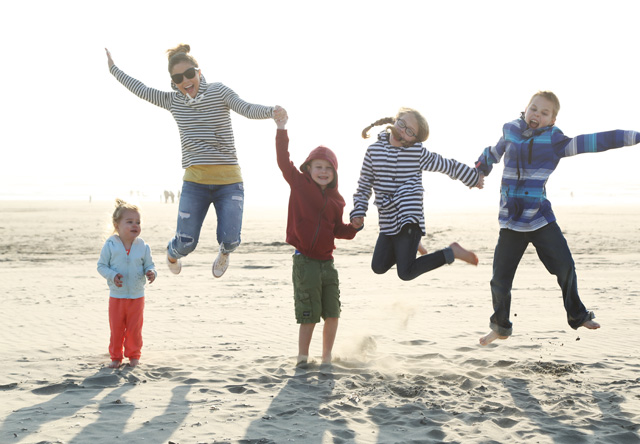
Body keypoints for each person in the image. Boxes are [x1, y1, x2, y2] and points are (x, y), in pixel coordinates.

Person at [105, 44, 286, 278]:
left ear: (199, 72)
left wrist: (271, 111)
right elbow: (140, 88)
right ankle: (172, 253)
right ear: (174, 81)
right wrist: (113, 69)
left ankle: (225, 252)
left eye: (190, 74)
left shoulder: (219, 91)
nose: (186, 80)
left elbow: (246, 107)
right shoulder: (173, 101)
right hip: (195, 183)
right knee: (186, 244)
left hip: (229, 182)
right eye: (178, 77)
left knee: (231, 239)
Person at [476, 91, 640, 346]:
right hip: (511, 222)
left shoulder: (554, 140)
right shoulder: (510, 130)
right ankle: (500, 327)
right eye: (534, 109)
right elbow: (493, 153)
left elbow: (594, 141)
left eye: (544, 113)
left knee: (565, 267)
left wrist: (634, 137)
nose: (537, 115)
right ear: (525, 109)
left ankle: (578, 316)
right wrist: (480, 169)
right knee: (499, 280)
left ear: (552, 120)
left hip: (540, 219)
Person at [350, 107, 483, 281]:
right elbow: (364, 184)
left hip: (409, 214)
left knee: (405, 272)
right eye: (401, 124)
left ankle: (451, 252)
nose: (402, 131)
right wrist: (359, 211)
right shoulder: (373, 151)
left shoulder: (417, 152)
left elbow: (446, 165)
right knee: (378, 266)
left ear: (414, 140)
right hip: (388, 217)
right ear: (395, 121)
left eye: (409, 131)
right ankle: (412, 244)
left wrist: (473, 177)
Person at [275, 111, 360, 365]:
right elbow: (283, 160)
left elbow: (338, 231)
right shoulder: (299, 184)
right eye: (318, 167)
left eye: (328, 169)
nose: (323, 172)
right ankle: (303, 357)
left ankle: (326, 358)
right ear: (308, 168)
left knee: (333, 312)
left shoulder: (337, 200)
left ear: (334, 173)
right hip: (305, 262)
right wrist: (281, 128)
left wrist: (355, 227)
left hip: (327, 263)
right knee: (308, 314)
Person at [97, 199, 156, 368]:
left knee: (134, 329)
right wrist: (112, 275)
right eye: (129, 222)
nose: (135, 225)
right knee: (117, 329)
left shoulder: (143, 246)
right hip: (117, 295)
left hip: (137, 295)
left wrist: (152, 272)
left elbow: (149, 265)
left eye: (137, 222)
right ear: (117, 225)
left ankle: (134, 355)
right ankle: (116, 357)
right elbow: (101, 266)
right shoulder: (110, 245)